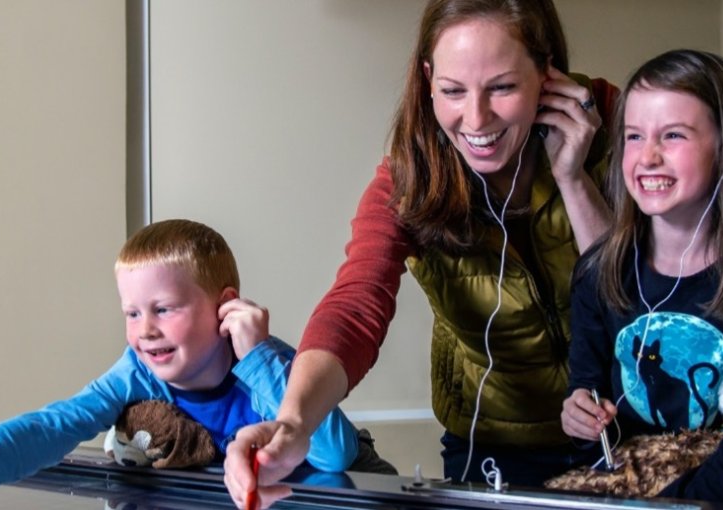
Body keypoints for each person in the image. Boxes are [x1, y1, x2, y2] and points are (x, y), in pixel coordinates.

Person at [225, 0, 620, 506]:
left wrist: (574, 177)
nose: (475, 119)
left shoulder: (611, 122)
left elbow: (646, 298)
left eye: (502, 87)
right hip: (491, 444)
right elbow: (356, 302)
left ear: (548, 73)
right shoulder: (410, 180)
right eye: (453, 91)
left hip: (623, 427)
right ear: (428, 78)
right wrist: (294, 422)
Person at [0, 219, 392, 507]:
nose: (144, 329)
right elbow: (50, 426)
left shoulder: (269, 366)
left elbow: (335, 451)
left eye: (164, 309)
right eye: (131, 312)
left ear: (225, 306)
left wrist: (261, 356)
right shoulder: (137, 373)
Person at [560, 49, 723, 501]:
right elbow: (591, 410)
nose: (648, 156)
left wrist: (681, 503)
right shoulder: (598, 272)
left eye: (673, 135)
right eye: (635, 136)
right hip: (633, 486)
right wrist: (581, 418)